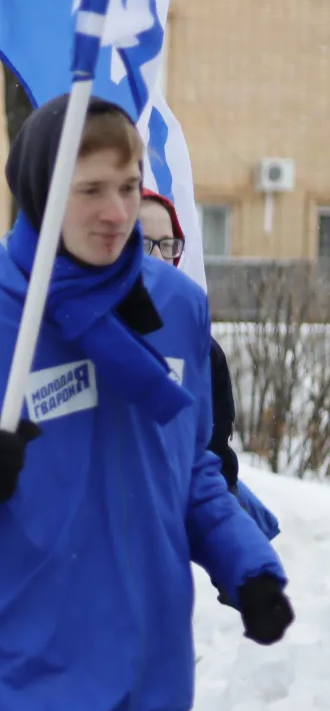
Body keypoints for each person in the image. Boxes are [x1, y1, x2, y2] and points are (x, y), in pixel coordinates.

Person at [0, 94, 293, 711]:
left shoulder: (174, 310)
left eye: (129, 187)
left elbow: (189, 470)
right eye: (91, 190)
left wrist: (249, 568)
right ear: (40, 193)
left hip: (144, 673)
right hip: (4, 677)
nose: (116, 212)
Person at [138, 190, 282, 600]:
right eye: (145, 243)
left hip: (162, 553)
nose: (160, 257)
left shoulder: (197, 343)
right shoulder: (78, 332)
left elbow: (211, 459)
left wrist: (237, 562)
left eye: (168, 245)